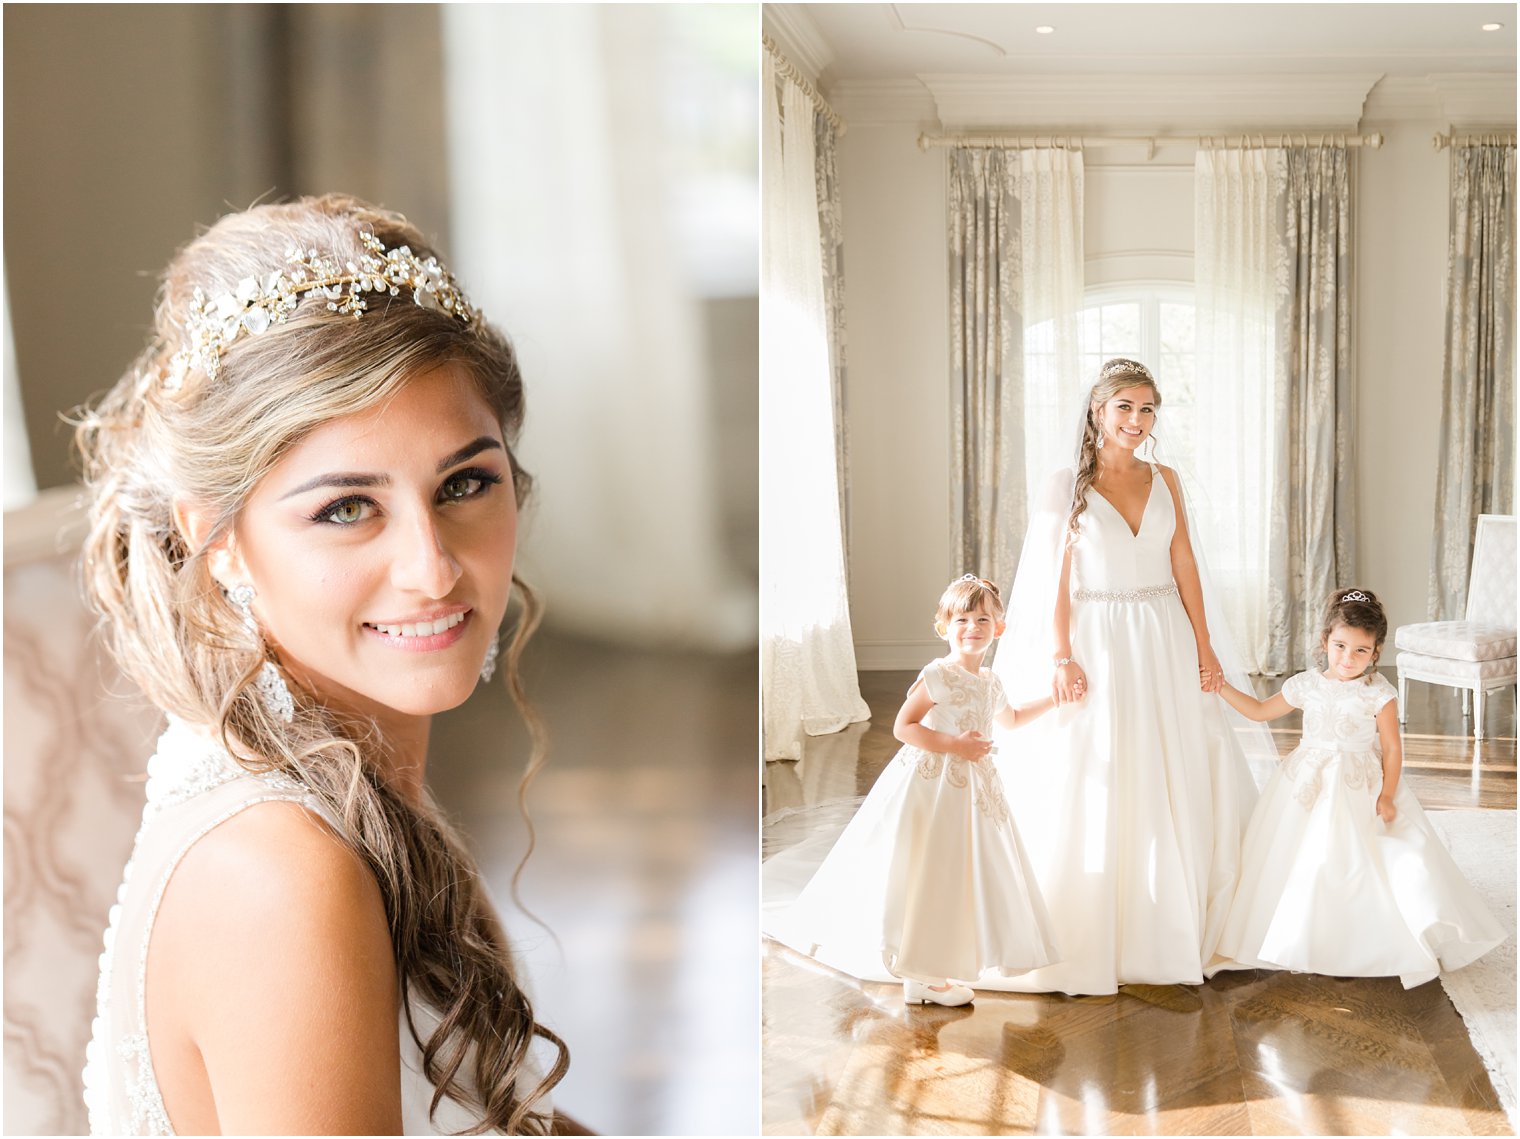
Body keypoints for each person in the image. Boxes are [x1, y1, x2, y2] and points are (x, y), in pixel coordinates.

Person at [76, 195, 570, 1134]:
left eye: (465, 482)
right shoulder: (285, 878)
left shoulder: (356, 791)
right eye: (347, 507)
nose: (433, 569)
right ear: (213, 538)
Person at [988, 357, 1262, 996]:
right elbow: (1054, 577)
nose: (1136, 422)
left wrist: (1206, 645)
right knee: (1105, 764)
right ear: (1097, 410)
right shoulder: (1067, 485)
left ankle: (1181, 913)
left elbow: (1185, 564)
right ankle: (1103, 918)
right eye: (1125, 408)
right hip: (1100, 639)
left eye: (1146, 411)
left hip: (1164, 632)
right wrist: (1061, 655)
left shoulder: (1166, 477)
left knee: (1182, 761)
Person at [765, 575, 1061, 1006]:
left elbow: (1011, 718)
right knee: (926, 868)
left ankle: (928, 965)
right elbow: (904, 726)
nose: (972, 627)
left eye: (983, 619)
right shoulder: (938, 675)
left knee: (953, 874)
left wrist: (1055, 699)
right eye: (961, 619)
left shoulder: (991, 682)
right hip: (931, 784)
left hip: (971, 792)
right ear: (944, 626)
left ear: (999, 627)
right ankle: (921, 975)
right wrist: (956, 745)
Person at [1212, 588, 1505, 987]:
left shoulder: (1378, 694)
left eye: (1360, 651)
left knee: (1355, 860)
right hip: (1306, 782)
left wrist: (1386, 794)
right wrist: (1220, 686)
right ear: (1325, 641)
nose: (1348, 659)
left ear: (1376, 652)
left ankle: (1357, 940)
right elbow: (1261, 711)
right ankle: (1298, 934)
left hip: (1356, 783)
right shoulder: (1307, 685)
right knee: (1300, 858)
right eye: (1340, 646)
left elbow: (1391, 747)